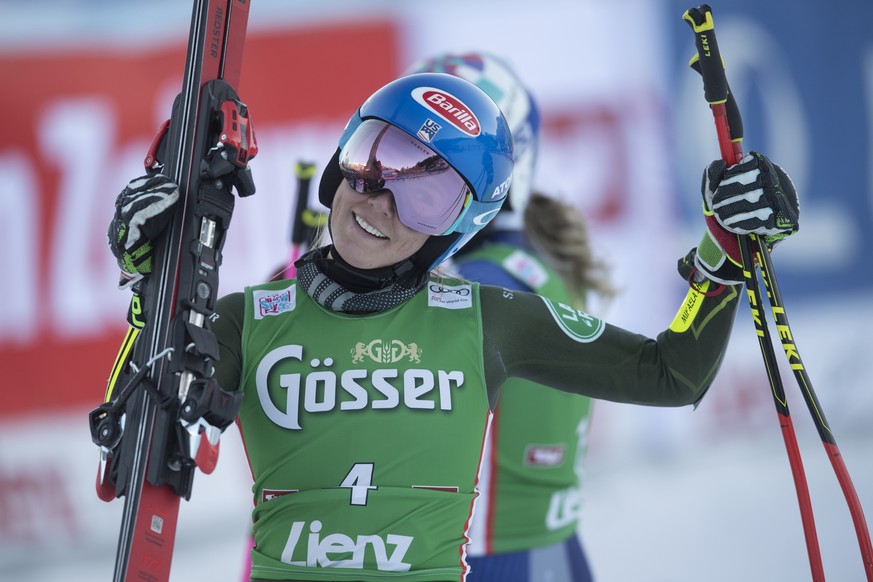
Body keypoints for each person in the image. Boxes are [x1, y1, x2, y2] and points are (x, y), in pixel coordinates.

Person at [107, 71, 799, 581]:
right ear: (339, 160)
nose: (379, 198)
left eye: (424, 194)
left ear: (456, 230)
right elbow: (137, 422)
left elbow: (668, 373)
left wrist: (724, 249)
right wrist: (151, 285)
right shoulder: (249, 320)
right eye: (372, 159)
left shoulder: (487, 322)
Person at [408, 51, 613, 582]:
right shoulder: (540, 262)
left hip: (488, 562)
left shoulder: (479, 285)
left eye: (438, 164)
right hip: (548, 557)